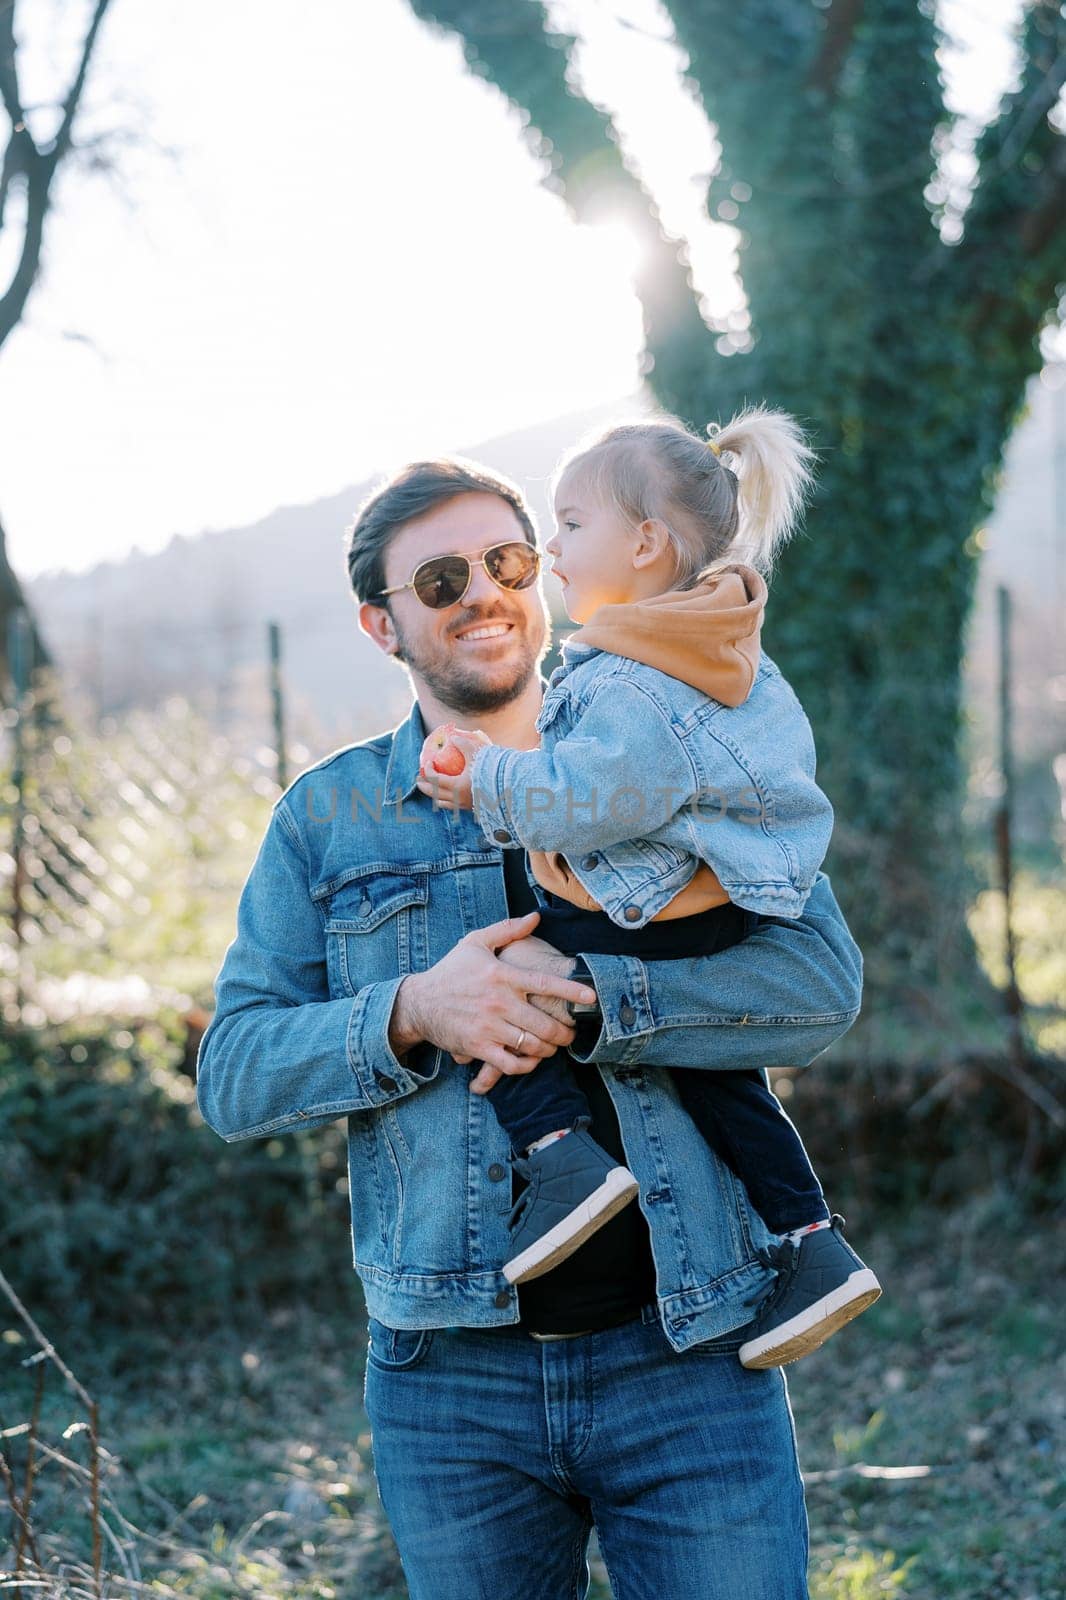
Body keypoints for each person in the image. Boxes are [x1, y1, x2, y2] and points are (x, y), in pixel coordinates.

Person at [196, 453, 865, 1600]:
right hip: (449, 1382)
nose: (485, 593)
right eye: (441, 580)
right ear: (380, 624)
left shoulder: (672, 733)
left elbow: (817, 982)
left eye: (507, 560)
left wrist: (605, 1000)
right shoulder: (329, 819)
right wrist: (413, 1009)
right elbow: (233, 1073)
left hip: (694, 1350)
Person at [413, 409, 880, 1371]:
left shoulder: (631, 678)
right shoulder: (714, 646)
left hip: (663, 905)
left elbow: (594, 797)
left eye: (569, 525)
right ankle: (809, 1238)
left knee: (516, 983)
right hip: (718, 899)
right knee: (718, 1073)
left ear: (646, 542)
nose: (550, 551)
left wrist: (487, 779)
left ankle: (560, 1158)